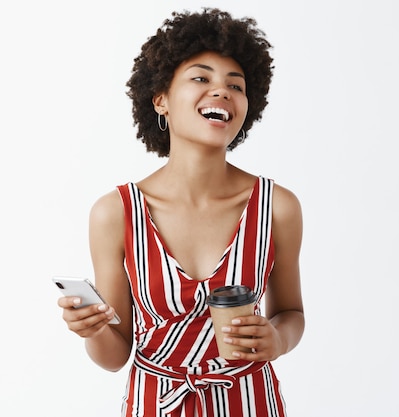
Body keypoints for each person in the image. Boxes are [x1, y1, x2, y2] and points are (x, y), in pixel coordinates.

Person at [57, 7, 304, 417]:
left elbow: (290, 313)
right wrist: (94, 329)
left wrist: (277, 339)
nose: (222, 91)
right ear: (161, 99)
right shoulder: (115, 212)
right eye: (201, 78)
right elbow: (114, 356)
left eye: (235, 85)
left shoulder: (277, 206)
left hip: (252, 404)